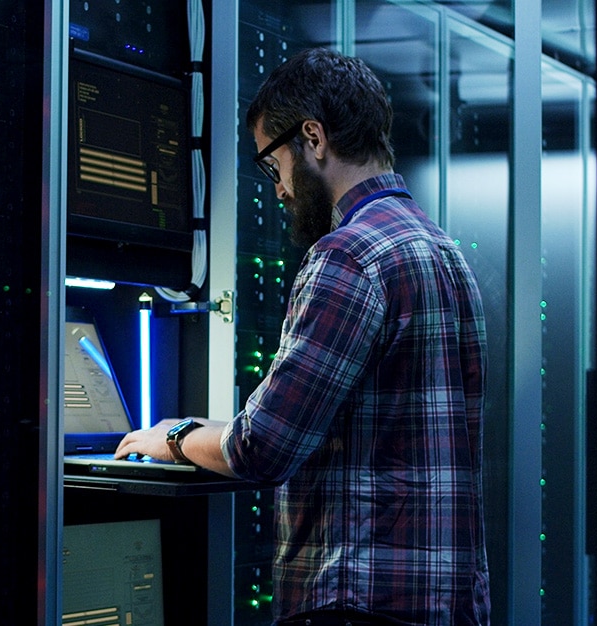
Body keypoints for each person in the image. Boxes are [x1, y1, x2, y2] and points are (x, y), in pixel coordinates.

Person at [114, 47, 490, 626]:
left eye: (272, 163)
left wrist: (175, 435)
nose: (278, 188)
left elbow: (261, 449)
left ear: (312, 138)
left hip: (360, 603)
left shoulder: (347, 256)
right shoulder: (442, 252)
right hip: (445, 601)